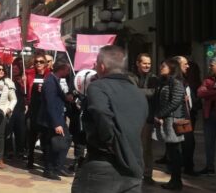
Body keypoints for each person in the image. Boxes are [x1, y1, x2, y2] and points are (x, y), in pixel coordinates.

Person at [72, 46, 146, 193]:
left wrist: (112, 143)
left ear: (102, 66)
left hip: (104, 165)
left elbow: (100, 113)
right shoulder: (138, 93)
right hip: (134, 164)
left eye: (95, 64)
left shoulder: (98, 87)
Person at [153, 58, 187, 190]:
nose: (161, 68)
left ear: (172, 68)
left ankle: (176, 181)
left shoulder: (176, 82)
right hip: (167, 120)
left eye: (164, 66)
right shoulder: (164, 82)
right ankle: (174, 180)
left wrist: (160, 114)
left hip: (173, 121)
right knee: (171, 152)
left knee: (175, 152)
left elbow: (175, 102)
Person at [127, 52, 158, 185]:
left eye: (149, 63)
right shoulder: (130, 76)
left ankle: (147, 174)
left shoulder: (154, 78)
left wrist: (138, 92)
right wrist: (147, 92)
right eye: (144, 63)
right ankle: (133, 172)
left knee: (146, 148)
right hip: (133, 117)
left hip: (147, 118)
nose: (147, 66)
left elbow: (155, 93)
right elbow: (131, 93)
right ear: (138, 63)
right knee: (133, 146)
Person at [38, 60, 71, 181]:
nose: (68, 72)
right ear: (61, 69)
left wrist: (66, 98)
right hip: (52, 120)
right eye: (67, 70)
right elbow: (50, 104)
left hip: (58, 117)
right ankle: (50, 169)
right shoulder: (50, 82)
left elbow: (58, 98)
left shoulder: (55, 80)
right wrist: (56, 124)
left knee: (64, 140)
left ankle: (57, 166)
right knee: (55, 145)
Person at [196, 56, 216, 176]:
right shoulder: (208, 80)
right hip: (209, 115)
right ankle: (209, 167)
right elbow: (200, 93)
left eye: (212, 65)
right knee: (209, 143)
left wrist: (211, 94)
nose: (210, 67)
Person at [26, 51, 50, 168]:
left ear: (45, 64)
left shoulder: (50, 75)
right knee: (32, 135)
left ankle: (46, 159)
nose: (38, 64)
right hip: (33, 109)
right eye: (36, 62)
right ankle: (30, 159)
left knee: (45, 136)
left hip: (44, 110)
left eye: (41, 62)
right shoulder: (29, 74)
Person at [5, 57, 26, 161]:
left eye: (17, 67)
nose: (15, 69)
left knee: (20, 131)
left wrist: (24, 83)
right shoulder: (7, 79)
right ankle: (8, 151)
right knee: (8, 129)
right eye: (13, 67)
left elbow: (26, 93)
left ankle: (20, 151)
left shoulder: (23, 80)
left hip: (20, 108)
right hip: (9, 108)